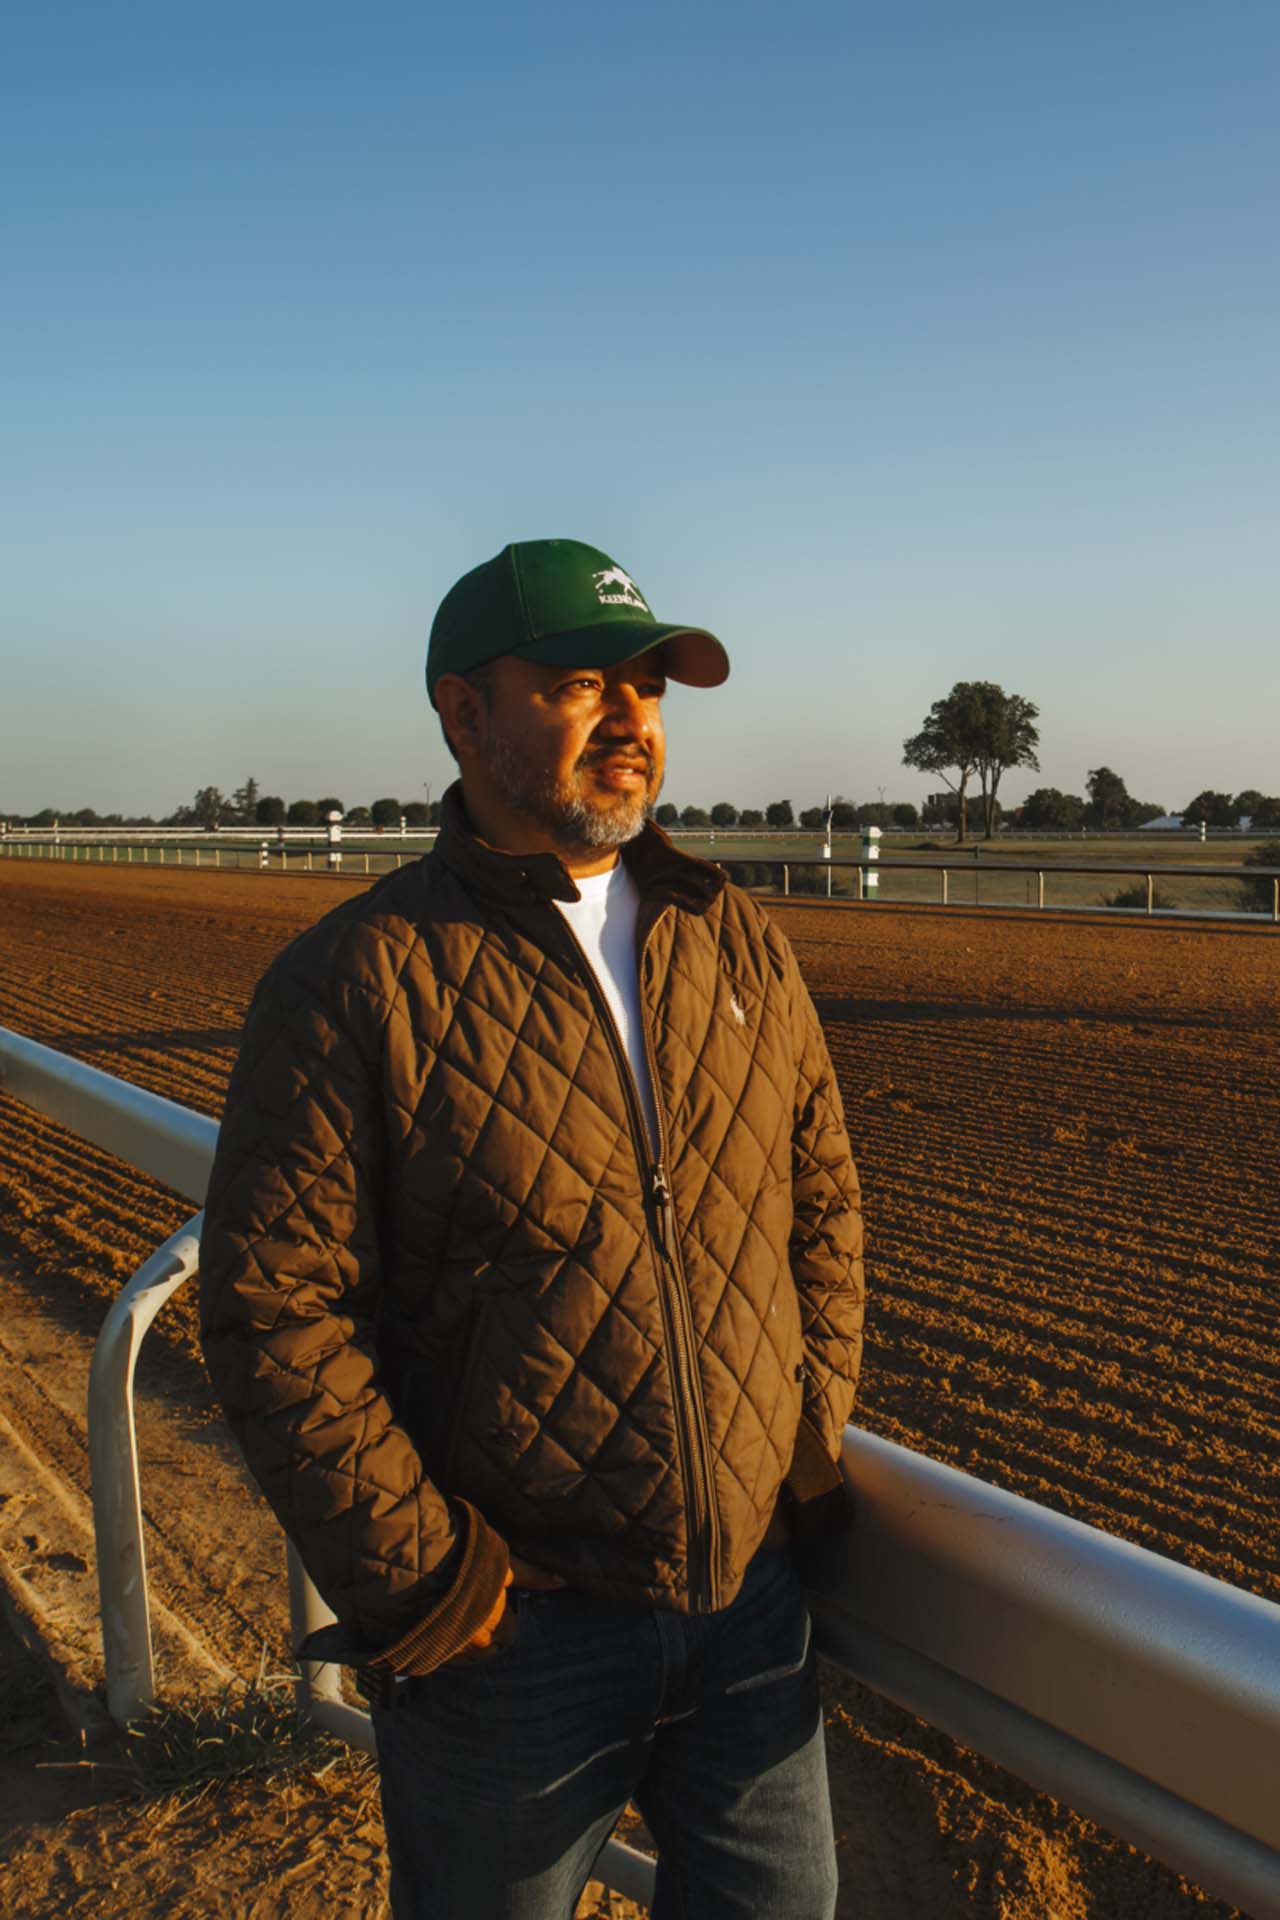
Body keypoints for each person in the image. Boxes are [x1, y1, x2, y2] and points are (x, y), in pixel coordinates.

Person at [199, 537, 865, 1919]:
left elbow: (826, 1208)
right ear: (461, 714)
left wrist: (800, 1441)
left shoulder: (734, 937)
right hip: (510, 1638)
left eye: (649, 687)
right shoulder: (354, 980)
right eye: (579, 685)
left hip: (747, 1616)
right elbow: (273, 1309)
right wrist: (430, 1582)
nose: (632, 720)